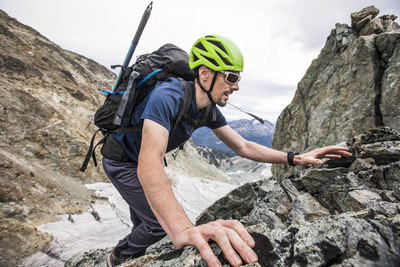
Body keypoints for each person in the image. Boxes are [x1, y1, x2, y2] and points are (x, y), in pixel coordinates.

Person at [103, 34, 352, 267]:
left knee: (146, 221)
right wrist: (183, 229)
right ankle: (117, 258)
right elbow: (150, 161)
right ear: (204, 73)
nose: (236, 87)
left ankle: (133, 256)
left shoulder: (207, 108)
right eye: (231, 77)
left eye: (238, 79)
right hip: (122, 162)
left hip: (135, 160)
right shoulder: (168, 95)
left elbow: (243, 146)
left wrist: (296, 158)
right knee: (158, 226)